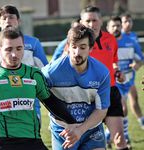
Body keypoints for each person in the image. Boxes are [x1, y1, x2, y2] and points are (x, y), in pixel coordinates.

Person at [0, 27, 77, 150]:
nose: (14, 54)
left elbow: (51, 102)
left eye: (19, 48)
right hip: (2, 143)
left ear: (24, 47)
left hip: (33, 140)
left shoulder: (34, 74)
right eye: (9, 49)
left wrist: (72, 122)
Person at [51, 6, 129, 150]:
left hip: (110, 90)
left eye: (95, 20)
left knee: (120, 139)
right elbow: (60, 66)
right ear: (81, 22)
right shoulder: (73, 44)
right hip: (86, 95)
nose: (92, 24)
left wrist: (118, 72)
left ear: (101, 21)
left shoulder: (110, 39)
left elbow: (113, 62)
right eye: (88, 20)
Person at [42, 23, 110, 150]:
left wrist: (80, 130)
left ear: (91, 48)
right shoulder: (51, 72)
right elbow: (39, 93)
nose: (77, 52)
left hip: (91, 128)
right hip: (63, 129)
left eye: (83, 47)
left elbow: (101, 110)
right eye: (74, 47)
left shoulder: (102, 73)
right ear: (67, 47)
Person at [0, 4, 48, 123]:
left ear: (18, 21)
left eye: (11, 17)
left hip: (29, 96)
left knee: (32, 133)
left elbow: (45, 70)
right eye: (3, 18)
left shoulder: (33, 43)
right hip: (2, 99)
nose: (7, 21)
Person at [106, 15, 144, 148]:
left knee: (124, 108)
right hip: (112, 83)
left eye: (118, 25)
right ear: (108, 28)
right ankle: (125, 138)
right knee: (122, 108)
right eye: (113, 26)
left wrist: (137, 65)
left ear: (121, 27)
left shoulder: (131, 41)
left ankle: (107, 136)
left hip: (128, 81)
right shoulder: (104, 43)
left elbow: (140, 59)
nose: (116, 28)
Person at [121, 13, 144, 129]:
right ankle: (112, 134)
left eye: (130, 21)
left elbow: (139, 56)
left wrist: (137, 64)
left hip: (130, 76)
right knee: (122, 108)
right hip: (119, 78)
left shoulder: (134, 36)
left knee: (135, 100)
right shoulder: (117, 37)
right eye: (125, 21)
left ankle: (141, 122)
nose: (128, 24)